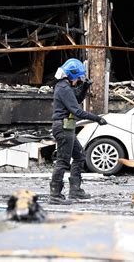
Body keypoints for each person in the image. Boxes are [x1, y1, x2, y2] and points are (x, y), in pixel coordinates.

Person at [49, 58, 107, 204]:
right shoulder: (64, 88)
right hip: (63, 128)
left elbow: (76, 100)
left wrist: (85, 87)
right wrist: (97, 118)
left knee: (80, 156)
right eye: (78, 78)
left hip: (66, 127)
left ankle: (75, 191)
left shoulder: (64, 86)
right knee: (62, 161)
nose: (78, 81)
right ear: (72, 75)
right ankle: (55, 195)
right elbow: (77, 110)